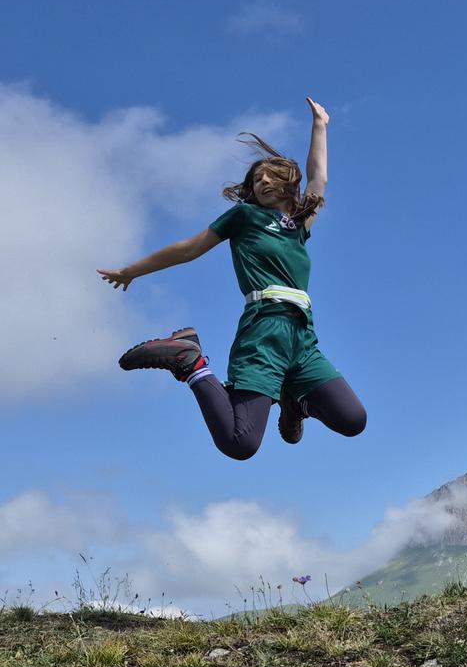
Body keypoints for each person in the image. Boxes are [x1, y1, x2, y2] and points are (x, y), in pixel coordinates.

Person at [97, 97, 366, 460]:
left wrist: (320, 125)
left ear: (289, 184)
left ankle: (294, 403)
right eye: (257, 179)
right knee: (240, 443)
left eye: (271, 176)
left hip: (302, 338)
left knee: (352, 419)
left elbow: (319, 177)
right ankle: (189, 361)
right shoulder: (244, 217)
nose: (263, 181)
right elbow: (189, 248)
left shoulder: (298, 226)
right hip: (263, 332)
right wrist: (132, 271)